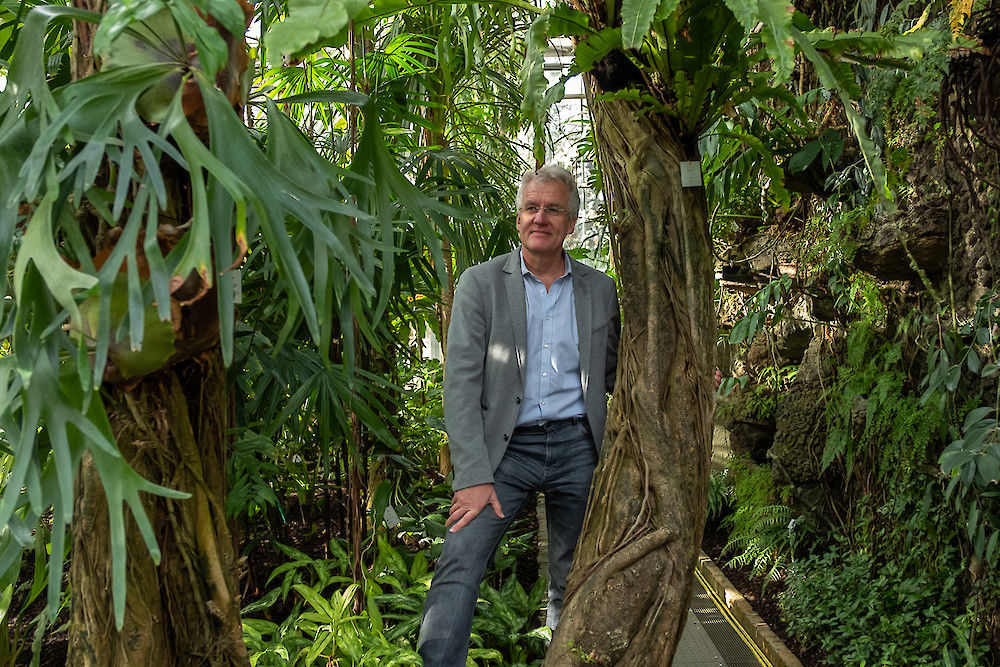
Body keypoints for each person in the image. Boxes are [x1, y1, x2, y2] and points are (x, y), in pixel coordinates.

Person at [417, 165, 621, 667]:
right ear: (518, 217)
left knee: (575, 573)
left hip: (579, 446)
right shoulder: (481, 284)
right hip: (504, 452)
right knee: (460, 560)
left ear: (571, 222)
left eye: (553, 209)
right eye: (532, 208)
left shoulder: (600, 289)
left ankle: (564, 657)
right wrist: (471, 474)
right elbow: (460, 385)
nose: (540, 218)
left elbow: (616, 371)